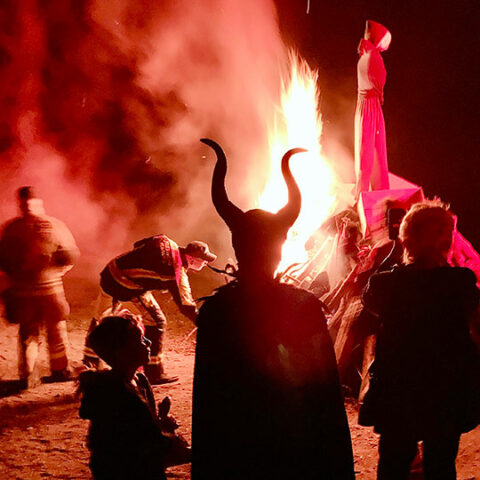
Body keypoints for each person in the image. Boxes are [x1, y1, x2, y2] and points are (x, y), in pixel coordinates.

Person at [192, 139, 355, 480]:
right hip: (294, 451)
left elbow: (209, 404)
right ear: (280, 251)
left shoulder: (215, 312)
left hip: (236, 454)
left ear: (237, 248)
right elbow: (323, 396)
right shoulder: (304, 308)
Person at [359, 200, 480, 480]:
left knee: (393, 464)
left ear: (405, 238)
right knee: (440, 464)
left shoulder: (385, 285)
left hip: (398, 392)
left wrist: (396, 254)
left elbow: (370, 301)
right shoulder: (460, 283)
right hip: (445, 391)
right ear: (446, 239)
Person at [82, 234, 216, 384]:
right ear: (191, 259)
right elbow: (187, 307)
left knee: (101, 316)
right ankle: (154, 372)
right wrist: (205, 327)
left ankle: (89, 362)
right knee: (157, 321)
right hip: (126, 284)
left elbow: (138, 243)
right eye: (204, 260)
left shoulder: (166, 240)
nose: (205, 263)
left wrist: (144, 270)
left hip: (110, 271)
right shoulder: (176, 271)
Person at [0, 186, 79, 388]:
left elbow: (3, 261)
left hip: (25, 294)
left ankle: (28, 374)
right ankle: (60, 370)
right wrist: (58, 273)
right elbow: (70, 255)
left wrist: (12, 282)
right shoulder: (55, 225)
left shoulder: (12, 229)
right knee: (56, 331)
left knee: (29, 334)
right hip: (51, 292)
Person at [78, 312, 171, 480]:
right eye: (140, 340)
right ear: (121, 352)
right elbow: (129, 442)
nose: (148, 342)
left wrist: (161, 422)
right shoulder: (114, 392)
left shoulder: (140, 380)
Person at [354, 20, 392, 196]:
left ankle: (367, 189)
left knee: (367, 147)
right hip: (370, 107)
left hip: (366, 106)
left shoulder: (365, 55)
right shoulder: (372, 57)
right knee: (371, 149)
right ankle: (372, 191)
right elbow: (379, 80)